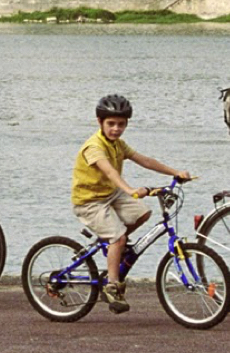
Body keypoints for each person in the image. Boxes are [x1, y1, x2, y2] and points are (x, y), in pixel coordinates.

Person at [71, 94, 191, 314]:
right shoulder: (94, 147)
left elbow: (144, 160)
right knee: (119, 237)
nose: (116, 129)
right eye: (111, 124)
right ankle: (112, 286)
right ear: (100, 122)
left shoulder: (118, 144)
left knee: (143, 213)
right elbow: (108, 170)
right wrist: (130, 190)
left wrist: (176, 172)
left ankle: (115, 247)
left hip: (110, 196)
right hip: (89, 202)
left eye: (121, 124)